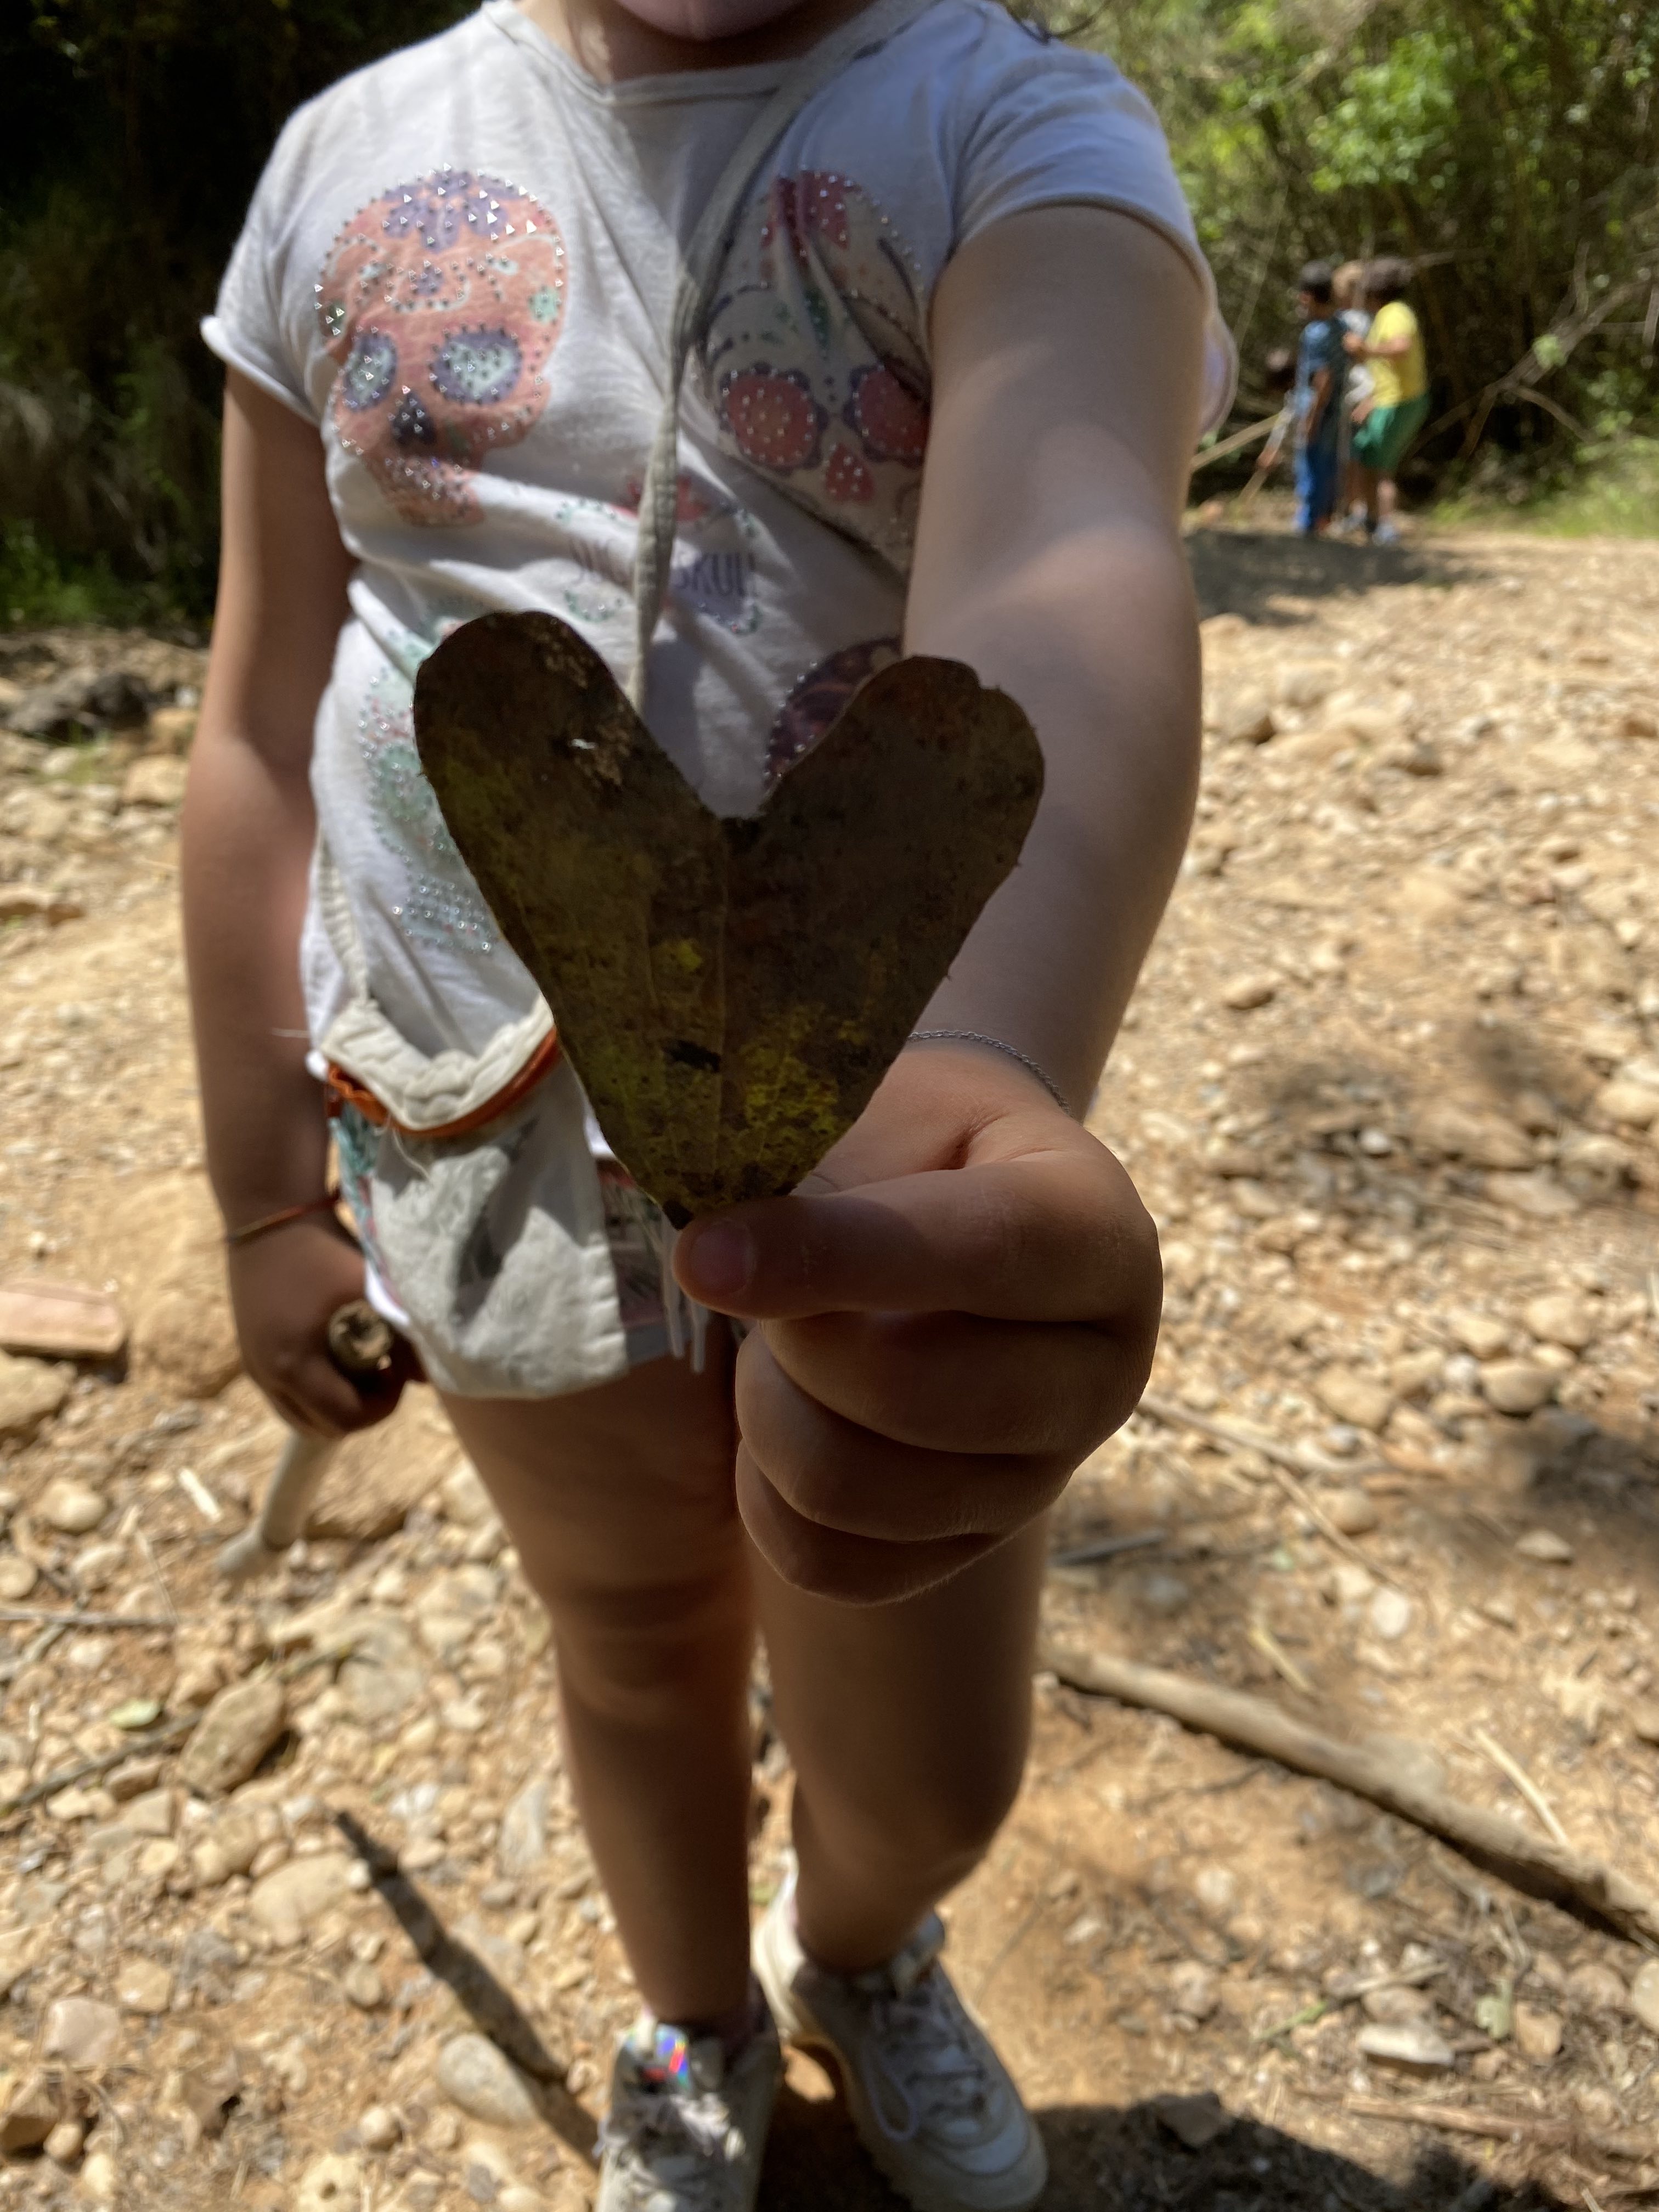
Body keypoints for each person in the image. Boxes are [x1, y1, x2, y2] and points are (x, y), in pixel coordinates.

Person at [183, 0, 1232, 2203]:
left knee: (928, 1751)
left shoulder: (1010, 131)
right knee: (635, 1647)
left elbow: (1069, 571)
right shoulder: (345, 163)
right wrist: (269, 1199)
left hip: (869, 1168)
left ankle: (862, 1945)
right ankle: (694, 2019)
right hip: (475, 1137)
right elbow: (262, 716)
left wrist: (981, 1062)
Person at [1346, 254, 1429, 545]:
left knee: (1381, 468)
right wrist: (1370, 401)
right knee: (1366, 455)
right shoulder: (1388, 314)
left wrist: (1365, 350)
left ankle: (1385, 525)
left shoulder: (1395, 313)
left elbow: (1401, 348)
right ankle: (1369, 519)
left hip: (1400, 403)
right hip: (1387, 401)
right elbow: (1388, 372)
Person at [1289, 258, 1345, 536]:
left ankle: (1309, 521)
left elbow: (1324, 379)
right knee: (1327, 464)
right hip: (1334, 413)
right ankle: (1322, 518)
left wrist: (1312, 417)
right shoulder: (1340, 326)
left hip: (1319, 410)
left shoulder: (1316, 334)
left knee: (1311, 464)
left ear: (1307, 297)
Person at [1331, 258, 1373, 535]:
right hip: (1371, 394)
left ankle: (1355, 510)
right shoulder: (1375, 318)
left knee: (1351, 458)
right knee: (1365, 457)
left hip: (1356, 395)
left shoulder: (1349, 321)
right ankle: (1364, 509)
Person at [1239, 344, 1295, 508]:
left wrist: (1274, 450)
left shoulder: (1302, 396)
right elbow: (1285, 420)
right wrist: (1272, 448)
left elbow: (1289, 421)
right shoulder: (1293, 396)